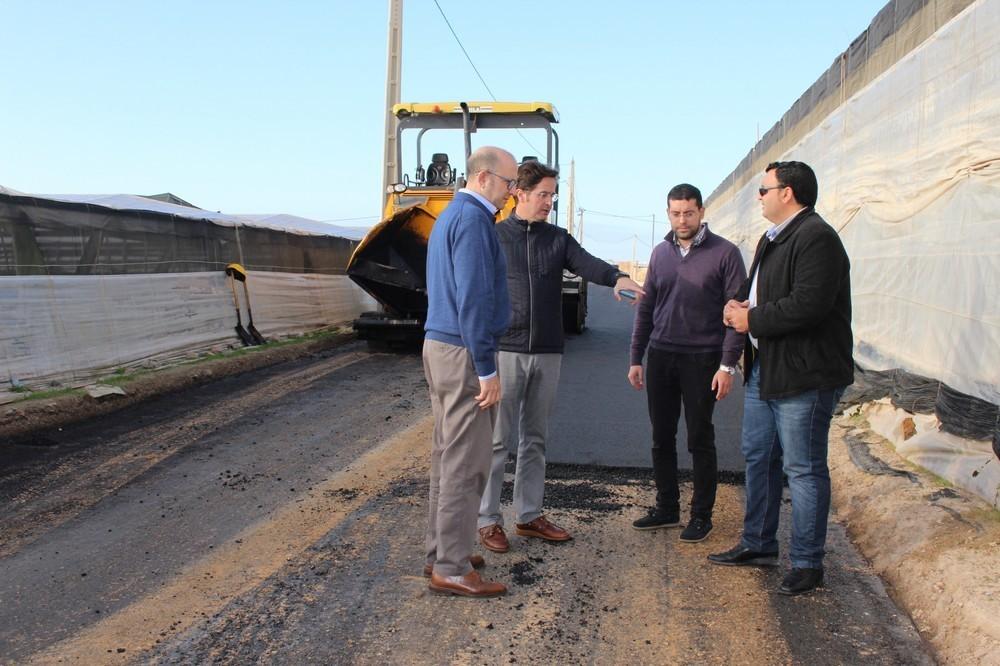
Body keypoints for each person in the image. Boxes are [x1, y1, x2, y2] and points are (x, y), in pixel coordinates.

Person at [477, 159, 645, 554]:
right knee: (498, 440)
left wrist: (618, 277)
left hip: (547, 350)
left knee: (535, 438)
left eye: (552, 195)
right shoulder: (495, 236)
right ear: (519, 192)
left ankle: (529, 515)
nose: (548, 202)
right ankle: (488, 520)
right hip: (506, 348)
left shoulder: (558, 239)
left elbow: (588, 264)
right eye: (543, 195)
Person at [708, 161, 853, 597]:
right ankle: (758, 543)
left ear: (787, 193)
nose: (760, 196)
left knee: (804, 469)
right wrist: (739, 305)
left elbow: (808, 305)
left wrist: (749, 317)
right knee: (759, 457)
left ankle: (808, 563)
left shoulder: (817, 238)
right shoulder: (773, 239)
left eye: (764, 189)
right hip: (768, 370)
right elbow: (762, 295)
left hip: (804, 375)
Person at [422, 146, 518, 598]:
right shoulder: (476, 222)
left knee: (447, 456)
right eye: (508, 183)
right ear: (483, 178)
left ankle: (444, 550)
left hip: (439, 345)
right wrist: (486, 369)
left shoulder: (450, 217)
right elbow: (474, 300)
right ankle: (452, 566)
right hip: (463, 352)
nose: (512, 193)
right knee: (467, 463)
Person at [628, 183, 746, 543]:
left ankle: (701, 515)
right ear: (668, 213)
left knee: (699, 438)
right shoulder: (661, 253)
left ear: (701, 212)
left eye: (689, 213)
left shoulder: (725, 254)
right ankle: (666, 507)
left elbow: (737, 312)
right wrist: (636, 357)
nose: (682, 219)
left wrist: (727, 366)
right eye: (676, 213)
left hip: (702, 358)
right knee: (661, 437)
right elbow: (647, 307)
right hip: (662, 355)